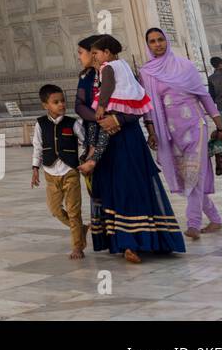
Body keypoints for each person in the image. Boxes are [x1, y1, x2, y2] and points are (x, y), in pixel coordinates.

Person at [82, 34, 185, 262]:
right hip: (110, 141)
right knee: (117, 188)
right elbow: (93, 115)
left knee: (131, 186)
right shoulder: (104, 76)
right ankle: (127, 241)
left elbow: (134, 107)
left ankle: (135, 242)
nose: (90, 57)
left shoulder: (111, 70)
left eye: (92, 52)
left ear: (105, 53)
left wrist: (116, 119)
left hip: (125, 138)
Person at [143, 29, 222, 239]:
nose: (157, 44)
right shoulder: (147, 72)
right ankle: (215, 219)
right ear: (148, 45)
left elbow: (204, 97)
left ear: (167, 41)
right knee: (187, 177)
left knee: (195, 174)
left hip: (195, 127)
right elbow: (148, 106)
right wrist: (151, 131)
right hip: (170, 132)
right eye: (152, 42)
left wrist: (220, 127)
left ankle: (193, 223)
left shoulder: (185, 66)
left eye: (160, 40)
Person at [78, 35, 152, 175]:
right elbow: (79, 106)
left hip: (125, 131)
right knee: (96, 123)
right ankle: (92, 150)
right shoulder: (122, 64)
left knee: (101, 128)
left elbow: (107, 86)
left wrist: (104, 110)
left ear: (106, 52)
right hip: (125, 105)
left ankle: (93, 156)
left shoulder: (107, 67)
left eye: (95, 53)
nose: (94, 57)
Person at [31, 84, 87, 259]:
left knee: (73, 209)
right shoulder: (40, 124)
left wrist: (85, 159)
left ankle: (77, 246)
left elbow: (85, 142)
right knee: (55, 209)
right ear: (45, 105)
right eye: (56, 102)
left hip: (70, 171)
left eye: (63, 101)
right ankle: (79, 228)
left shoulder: (73, 123)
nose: (61, 105)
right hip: (50, 172)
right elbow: (37, 147)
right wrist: (35, 169)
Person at [72, 36, 100, 170]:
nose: (79, 57)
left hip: (118, 133)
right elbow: (79, 105)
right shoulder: (86, 76)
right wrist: (99, 118)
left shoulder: (114, 72)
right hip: (94, 130)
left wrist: (115, 120)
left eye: (80, 53)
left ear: (92, 53)